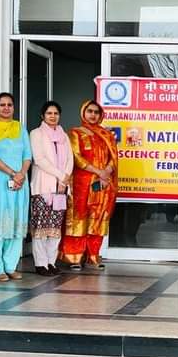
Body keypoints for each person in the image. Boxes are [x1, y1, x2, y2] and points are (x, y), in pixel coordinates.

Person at [60, 100, 118, 270]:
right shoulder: (75, 133)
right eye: (90, 111)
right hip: (82, 184)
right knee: (79, 219)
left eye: (96, 112)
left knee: (98, 219)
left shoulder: (107, 135)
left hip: (103, 184)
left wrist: (106, 171)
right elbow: (76, 157)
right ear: (83, 113)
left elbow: (113, 158)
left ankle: (93, 256)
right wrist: (98, 171)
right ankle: (75, 257)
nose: (93, 115)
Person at [0, 92, 32, 282]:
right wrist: (13, 173)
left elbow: (27, 154)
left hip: (20, 182)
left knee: (16, 221)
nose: (6, 108)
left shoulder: (20, 128)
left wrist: (22, 174)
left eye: (9, 105)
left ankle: (11, 266)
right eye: (2, 105)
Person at [29, 101, 73, 276]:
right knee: (41, 227)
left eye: (56, 113)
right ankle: (40, 264)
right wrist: (62, 176)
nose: (53, 116)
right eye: (49, 113)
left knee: (55, 228)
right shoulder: (36, 134)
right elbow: (40, 159)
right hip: (42, 187)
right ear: (43, 116)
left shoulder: (64, 136)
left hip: (61, 189)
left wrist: (64, 179)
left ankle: (51, 262)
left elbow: (70, 159)